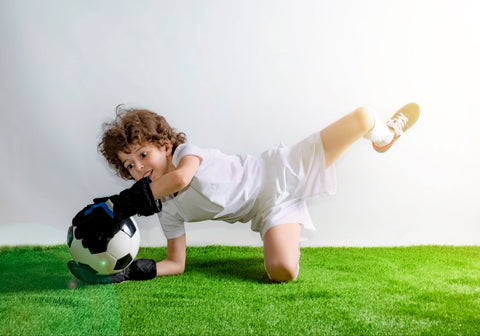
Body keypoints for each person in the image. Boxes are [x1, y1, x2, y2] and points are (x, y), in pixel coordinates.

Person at [68, 103, 420, 284]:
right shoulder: (167, 210)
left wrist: (118, 206)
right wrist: (126, 272)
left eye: (143, 155)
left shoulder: (186, 154)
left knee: (360, 118)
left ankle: (385, 134)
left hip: (280, 170)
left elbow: (179, 180)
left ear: (164, 144)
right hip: (269, 211)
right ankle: (289, 226)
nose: (138, 168)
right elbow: (176, 263)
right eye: (128, 166)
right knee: (283, 271)